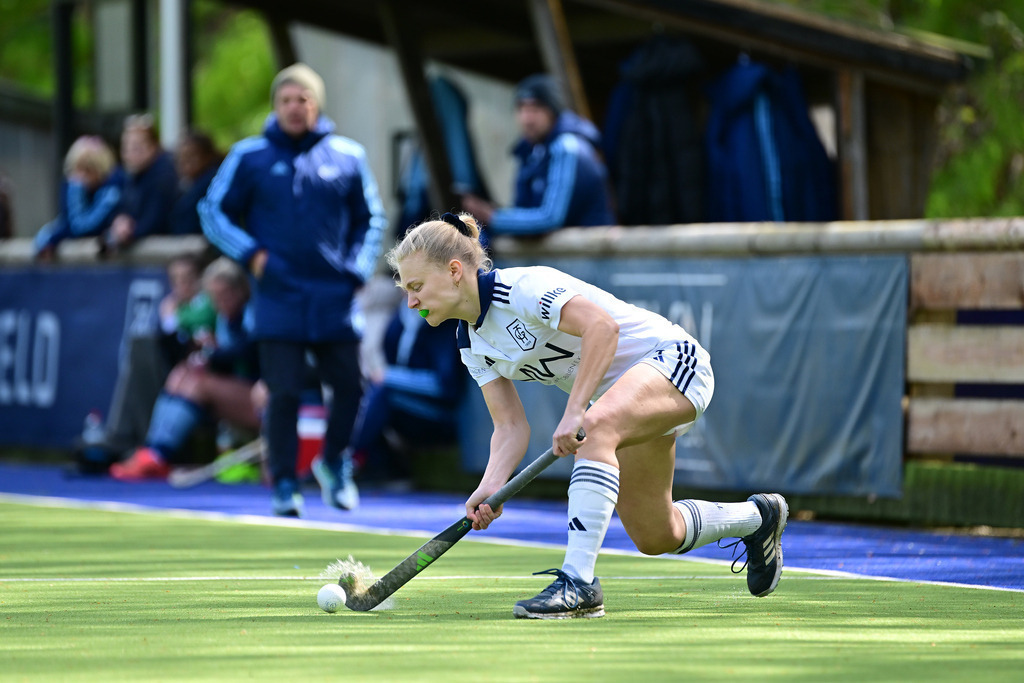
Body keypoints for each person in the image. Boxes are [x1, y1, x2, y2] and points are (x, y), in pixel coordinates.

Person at [385, 212, 788, 619]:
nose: (411, 301)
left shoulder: (522, 288)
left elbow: (602, 328)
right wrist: (491, 485)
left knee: (594, 428)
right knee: (657, 533)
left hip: (673, 361)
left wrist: (576, 410)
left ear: (455, 271)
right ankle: (759, 517)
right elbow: (509, 426)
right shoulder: (470, 343)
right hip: (623, 398)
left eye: (416, 286)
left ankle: (578, 583)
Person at [199, 63, 387, 516]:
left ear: (316, 104)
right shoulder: (249, 156)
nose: (294, 107)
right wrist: (252, 255)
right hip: (278, 294)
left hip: (334, 294)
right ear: (275, 106)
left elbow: (373, 219)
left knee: (350, 385)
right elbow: (212, 212)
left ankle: (334, 463)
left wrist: (358, 269)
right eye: (286, 99)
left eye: (303, 99)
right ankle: (284, 483)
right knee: (282, 392)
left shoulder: (348, 155)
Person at [110, 258, 259, 481]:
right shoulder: (223, 320)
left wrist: (210, 353)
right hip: (238, 390)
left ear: (241, 290)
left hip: (260, 397)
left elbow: (245, 353)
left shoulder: (252, 314)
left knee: (198, 383)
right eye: (216, 297)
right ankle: (153, 451)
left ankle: (159, 455)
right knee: (182, 374)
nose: (222, 302)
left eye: (226, 294)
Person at [460, 74, 614, 236]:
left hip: (590, 254)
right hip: (560, 255)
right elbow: (522, 208)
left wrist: (492, 218)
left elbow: (551, 218)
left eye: (536, 109)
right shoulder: (530, 150)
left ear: (553, 112)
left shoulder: (567, 146)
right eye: (522, 109)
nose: (527, 119)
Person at [350, 303, 466, 486]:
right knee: (358, 393)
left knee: (383, 392)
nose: (411, 297)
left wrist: (389, 377)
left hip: (440, 415)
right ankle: (379, 468)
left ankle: (349, 459)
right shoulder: (399, 319)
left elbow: (446, 385)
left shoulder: (444, 322)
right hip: (404, 406)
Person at [33, 135, 124, 260]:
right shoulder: (72, 186)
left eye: (88, 170)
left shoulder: (112, 191)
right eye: (78, 169)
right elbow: (68, 222)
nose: (82, 177)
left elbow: (81, 228)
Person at [103, 114, 179, 254]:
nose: (129, 154)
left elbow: (155, 220)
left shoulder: (164, 175)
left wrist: (129, 232)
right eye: (125, 148)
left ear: (153, 146)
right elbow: (116, 208)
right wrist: (118, 220)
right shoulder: (126, 175)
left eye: (136, 147)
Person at [170, 131, 222, 236]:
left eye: (191, 156)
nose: (184, 162)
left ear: (207, 156)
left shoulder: (212, 183)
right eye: (180, 157)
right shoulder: (187, 185)